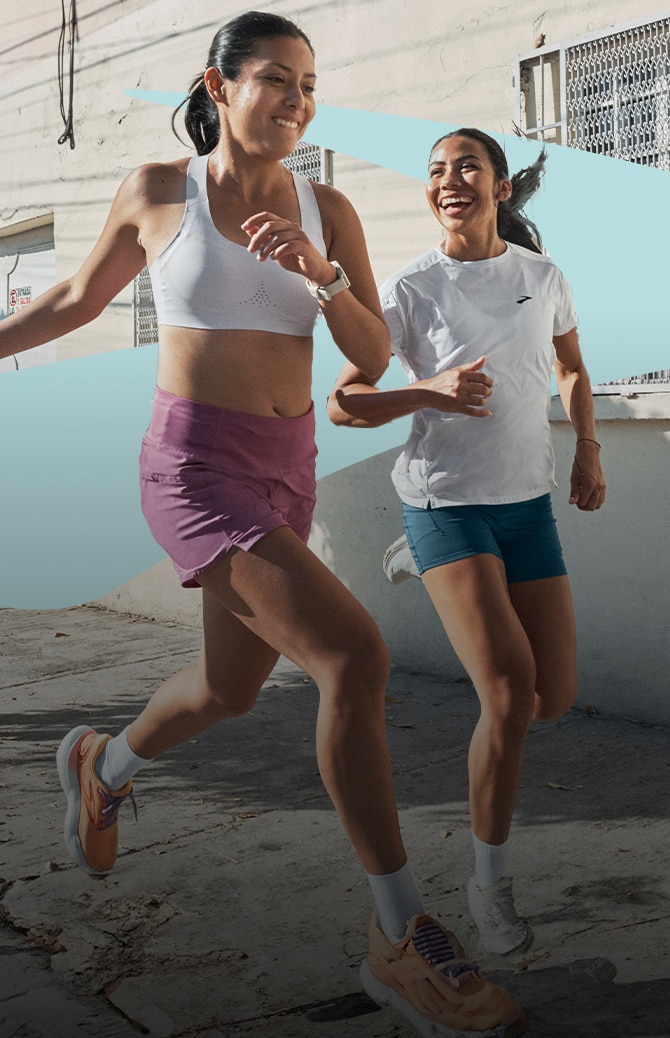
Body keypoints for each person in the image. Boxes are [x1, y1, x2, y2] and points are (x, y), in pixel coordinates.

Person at [0, 19, 527, 1037]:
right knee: (353, 659)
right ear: (220, 85)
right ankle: (397, 938)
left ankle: (101, 769)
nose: (296, 99)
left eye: (310, 86)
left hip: (288, 469)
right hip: (193, 466)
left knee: (228, 690)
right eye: (276, 80)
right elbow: (70, 298)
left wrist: (319, 272)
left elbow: (369, 352)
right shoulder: (161, 193)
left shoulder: (323, 206)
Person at [328, 127, 606, 959]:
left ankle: (430, 566)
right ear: (430, 194)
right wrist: (428, 390)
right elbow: (346, 401)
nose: (450, 181)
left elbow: (572, 367)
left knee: (553, 696)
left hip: (524, 503)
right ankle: (489, 883)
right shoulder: (414, 287)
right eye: (437, 172)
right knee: (510, 696)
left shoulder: (541, 277)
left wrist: (588, 444)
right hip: (447, 503)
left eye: (467, 168)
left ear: (500, 186)